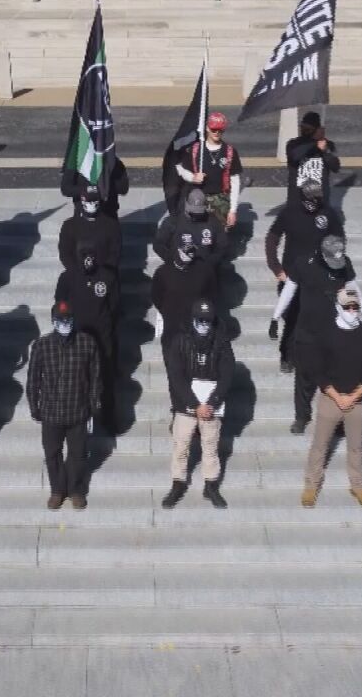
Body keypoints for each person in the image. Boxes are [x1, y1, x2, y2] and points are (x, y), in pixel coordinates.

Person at [301, 287, 362, 508]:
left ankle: (358, 485)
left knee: (356, 447)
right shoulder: (325, 334)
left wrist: (354, 396)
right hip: (330, 399)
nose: (352, 311)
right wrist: (337, 397)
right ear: (339, 308)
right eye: (347, 307)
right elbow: (317, 371)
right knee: (319, 445)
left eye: (355, 307)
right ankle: (311, 484)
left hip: (356, 401)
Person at [288, 235, 362, 434]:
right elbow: (290, 290)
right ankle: (302, 416)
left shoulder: (344, 265)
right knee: (304, 378)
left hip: (335, 330)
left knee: (338, 375)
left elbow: (352, 288)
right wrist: (275, 317)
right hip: (308, 331)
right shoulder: (305, 264)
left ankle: (339, 419)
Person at [265, 178, 348, 372]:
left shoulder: (328, 214)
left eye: (317, 198)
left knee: (318, 319)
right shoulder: (290, 212)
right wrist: (276, 268)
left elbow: (339, 241)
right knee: (292, 320)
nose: (314, 202)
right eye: (310, 198)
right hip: (291, 277)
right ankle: (287, 356)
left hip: (318, 277)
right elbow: (272, 238)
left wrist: (334, 269)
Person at [26, 302, 102, 511]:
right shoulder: (42, 345)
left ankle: (76, 490)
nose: (65, 323)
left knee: (77, 454)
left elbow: (95, 377)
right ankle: (57, 490)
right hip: (51, 412)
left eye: (68, 319)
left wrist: (94, 402)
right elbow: (33, 378)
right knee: (52, 453)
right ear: (53, 321)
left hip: (78, 410)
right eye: (61, 320)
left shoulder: (87, 343)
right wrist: (34, 405)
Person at [161, 300, 234, 509]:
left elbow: (227, 374)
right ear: (193, 319)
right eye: (200, 320)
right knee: (181, 445)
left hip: (211, 404)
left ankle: (211, 485)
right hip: (186, 404)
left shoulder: (221, 342)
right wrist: (194, 403)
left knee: (210, 446)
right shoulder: (179, 341)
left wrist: (212, 401)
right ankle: (178, 482)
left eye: (207, 321)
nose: (204, 324)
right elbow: (175, 376)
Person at [54, 245, 120, 433]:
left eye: (92, 256)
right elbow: (59, 304)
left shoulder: (107, 277)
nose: (88, 260)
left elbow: (114, 306)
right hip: (75, 337)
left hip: (103, 337)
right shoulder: (68, 277)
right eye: (84, 256)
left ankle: (107, 418)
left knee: (105, 377)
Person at [177, 112, 243, 230]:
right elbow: (180, 169)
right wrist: (192, 177)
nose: (217, 133)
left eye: (220, 130)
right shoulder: (195, 150)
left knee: (221, 237)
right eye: (214, 129)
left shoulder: (230, 152)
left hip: (221, 201)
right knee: (197, 234)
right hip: (198, 199)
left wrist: (233, 210)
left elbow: (235, 181)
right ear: (207, 128)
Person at [151, 242, 218, 350]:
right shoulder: (163, 271)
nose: (188, 255)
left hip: (195, 320)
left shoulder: (204, 270)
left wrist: (203, 311)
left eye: (191, 252)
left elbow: (212, 293)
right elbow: (156, 295)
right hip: (172, 320)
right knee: (171, 350)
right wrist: (167, 311)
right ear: (178, 251)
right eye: (185, 252)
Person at [153, 189, 228, 269]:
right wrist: (174, 261)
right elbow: (158, 244)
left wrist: (209, 263)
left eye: (199, 212)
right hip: (178, 268)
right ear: (186, 206)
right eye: (192, 213)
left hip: (205, 269)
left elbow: (222, 246)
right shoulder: (173, 221)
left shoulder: (213, 221)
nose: (195, 216)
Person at [59, 183, 122, 273]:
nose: (91, 203)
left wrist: (101, 273)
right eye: (88, 200)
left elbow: (114, 253)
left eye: (94, 200)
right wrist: (79, 273)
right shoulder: (69, 226)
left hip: (104, 276)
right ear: (82, 201)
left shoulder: (112, 225)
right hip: (77, 275)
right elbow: (65, 254)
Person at [285, 111, 342, 203]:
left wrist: (325, 151)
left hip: (320, 201)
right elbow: (294, 156)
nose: (303, 131)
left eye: (308, 129)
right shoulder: (293, 144)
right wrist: (314, 142)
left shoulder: (327, 145)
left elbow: (336, 167)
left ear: (316, 129)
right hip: (297, 200)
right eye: (302, 128)